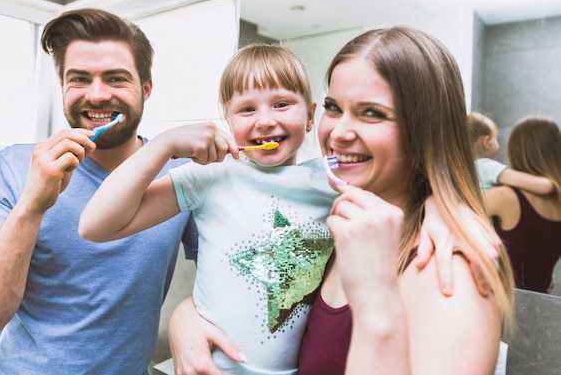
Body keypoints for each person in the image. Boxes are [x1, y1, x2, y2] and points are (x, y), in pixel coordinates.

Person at [165, 28, 514, 375]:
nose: (339, 133)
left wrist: (377, 302)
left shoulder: (451, 269)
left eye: (372, 113)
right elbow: (269, 310)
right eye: (334, 107)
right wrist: (186, 318)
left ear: (427, 129)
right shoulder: (337, 222)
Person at [0, 8, 198, 375]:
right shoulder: (16, 168)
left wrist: (186, 318)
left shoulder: (181, 174)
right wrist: (31, 204)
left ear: (146, 88)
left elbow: (227, 276)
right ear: (63, 87)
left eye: (116, 78)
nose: (97, 94)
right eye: (79, 79)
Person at [80, 43, 338, 375]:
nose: (264, 120)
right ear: (228, 122)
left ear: (310, 117)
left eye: (282, 104)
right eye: (246, 109)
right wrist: (163, 144)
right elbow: (95, 225)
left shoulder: (332, 180)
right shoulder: (210, 177)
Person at [483, 115, 561, 293]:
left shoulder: (507, 197)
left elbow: (451, 206)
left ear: (516, 150)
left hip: (504, 301)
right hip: (541, 300)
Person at [468, 111, 554, 194]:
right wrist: (554, 181)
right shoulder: (486, 166)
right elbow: (544, 186)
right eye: (495, 139)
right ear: (485, 142)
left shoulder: (468, 168)